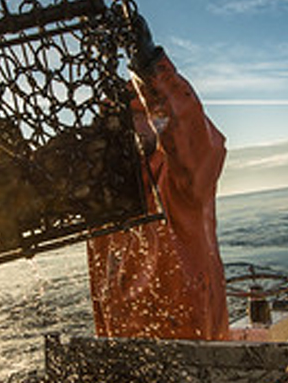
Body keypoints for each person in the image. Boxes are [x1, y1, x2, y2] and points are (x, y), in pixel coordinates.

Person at [86, 18, 229, 340]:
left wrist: (150, 63)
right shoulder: (102, 194)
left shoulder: (182, 185)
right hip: (123, 359)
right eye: (127, 121)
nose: (131, 130)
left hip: (199, 350)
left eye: (145, 118)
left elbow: (193, 135)